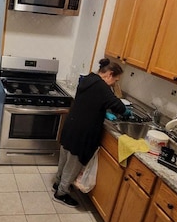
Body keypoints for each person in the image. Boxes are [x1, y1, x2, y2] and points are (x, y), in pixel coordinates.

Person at [53, 58, 129, 207]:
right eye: (116, 80)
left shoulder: (89, 78)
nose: (115, 83)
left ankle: (58, 182)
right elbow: (119, 106)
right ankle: (61, 193)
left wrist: (103, 111)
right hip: (83, 130)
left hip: (72, 125)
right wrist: (127, 112)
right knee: (74, 163)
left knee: (65, 156)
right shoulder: (102, 87)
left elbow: (92, 101)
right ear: (110, 74)